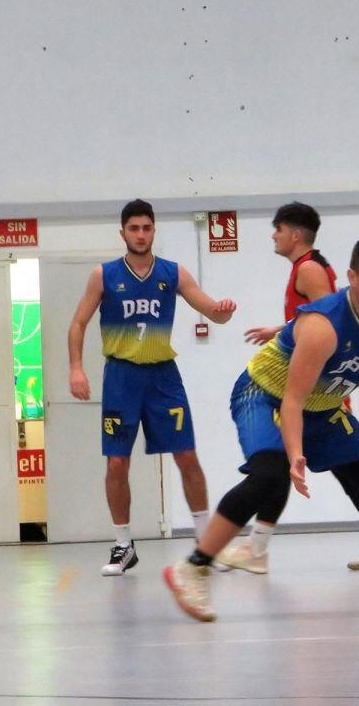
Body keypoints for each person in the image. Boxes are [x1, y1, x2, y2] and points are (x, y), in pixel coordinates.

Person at [164, 236, 359, 622]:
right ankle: (193, 567)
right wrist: (294, 455)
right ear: (352, 277)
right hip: (266, 394)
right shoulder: (323, 326)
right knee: (269, 475)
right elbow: (291, 401)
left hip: (321, 405)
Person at [68, 199, 237, 576]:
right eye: (134, 228)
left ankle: (205, 544)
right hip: (121, 378)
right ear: (123, 232)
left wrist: (221, 311)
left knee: (186, 456)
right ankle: (123, 544)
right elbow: (78, 324)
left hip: (163, 377)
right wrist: (76, 368)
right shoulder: (104, 274)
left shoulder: (173, 273)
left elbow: (209, 309)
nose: (141, 234)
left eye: (147, 228)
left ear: (154, 231)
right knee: (116, 462)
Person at [215, 202, 359, 575]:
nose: (273, 236)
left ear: (293, 234)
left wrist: (336, 390)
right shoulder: (307, 267)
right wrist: (279, 330)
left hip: (321, 389)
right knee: (283, 463)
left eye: (277, 230)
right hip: (312, 384)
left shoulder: (307, 269)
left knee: (342, 469)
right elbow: (315, 320)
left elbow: (331, 323)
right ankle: (257, 547)